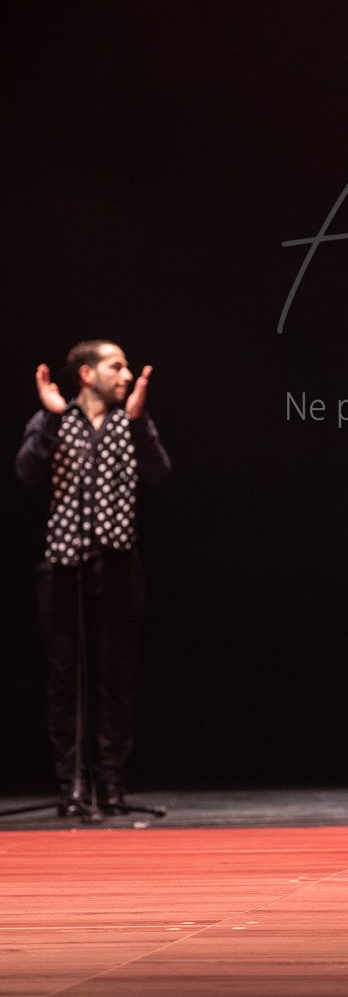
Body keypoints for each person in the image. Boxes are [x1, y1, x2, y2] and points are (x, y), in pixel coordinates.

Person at [14, 341, 171, 817]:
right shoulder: (55, 419)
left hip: (118, 566)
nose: (126, 375)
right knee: (66, 679)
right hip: (64, 566)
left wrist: (140, 423)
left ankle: (111, 783)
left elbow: (159, 473)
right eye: (116, 366)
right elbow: (26, 473)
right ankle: (73, 784)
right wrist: (49, 418)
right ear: (87, 373)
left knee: (115, 677)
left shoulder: (131, 421)